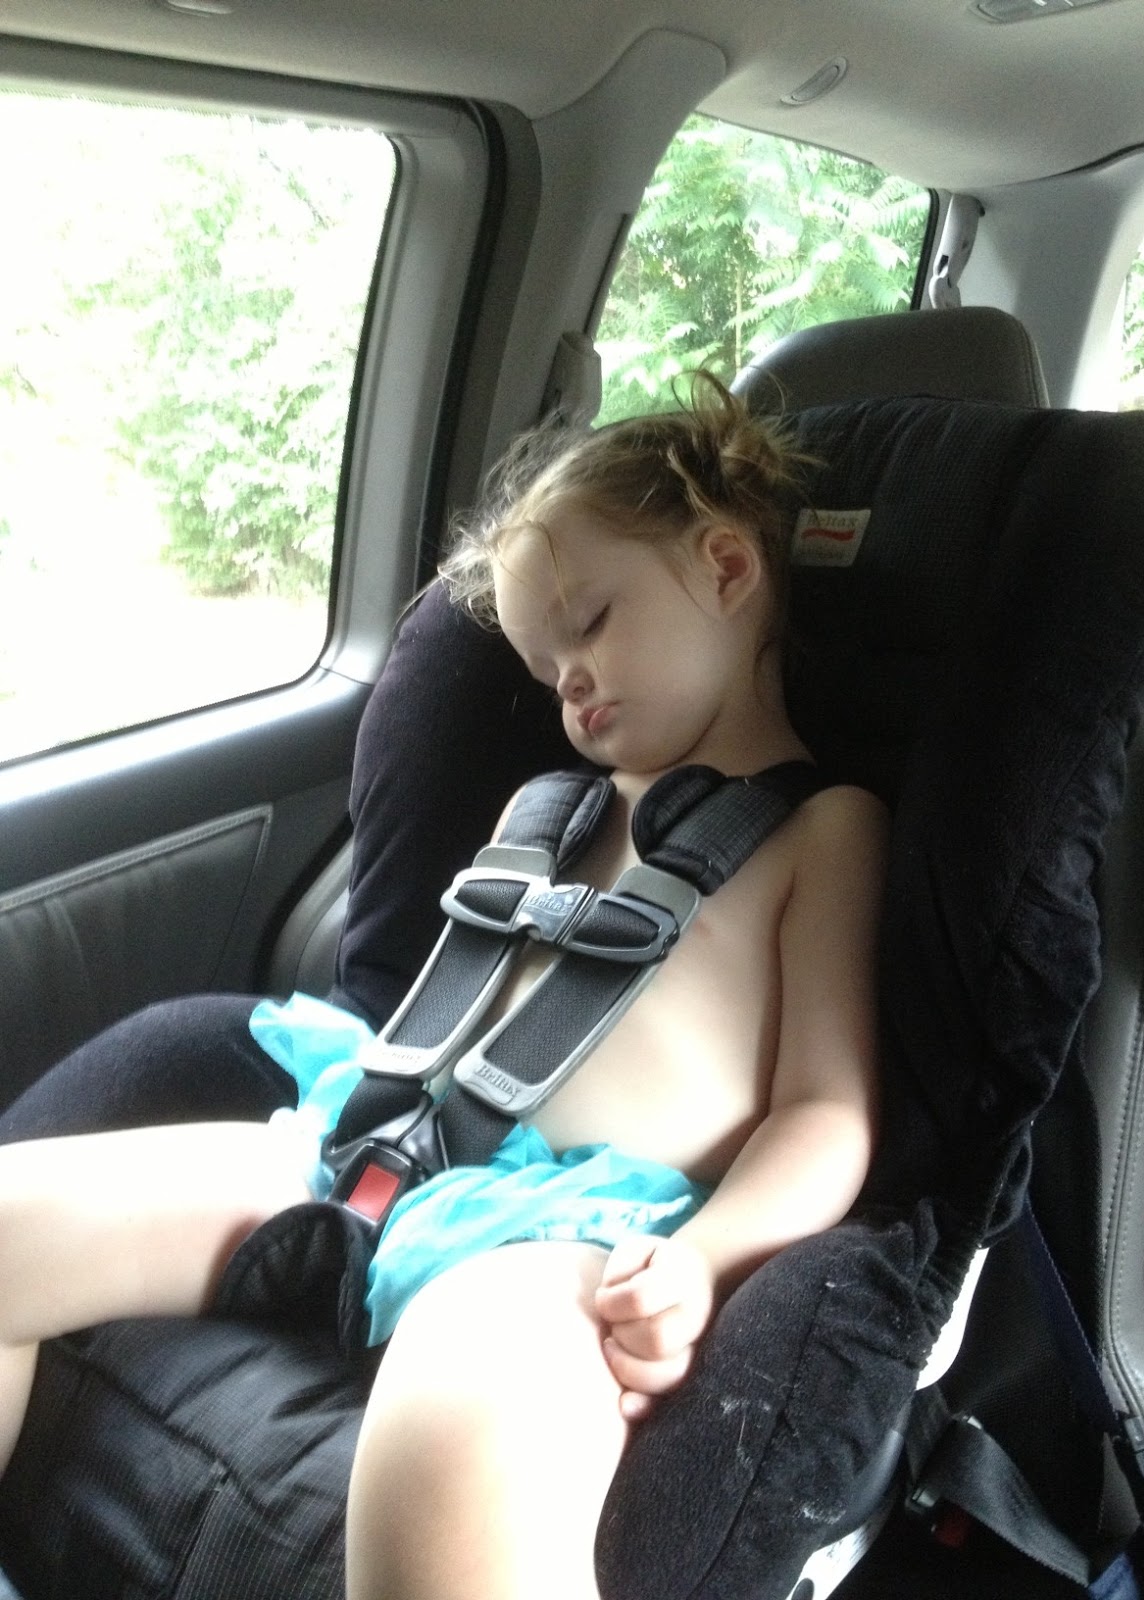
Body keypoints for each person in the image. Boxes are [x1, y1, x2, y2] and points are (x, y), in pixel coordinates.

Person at [0, 377, 887, 1600]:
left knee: (447, 1460)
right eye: (545, 664)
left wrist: (706, 1259)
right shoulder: (546, 811)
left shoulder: (821, 831)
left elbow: (826, 1108)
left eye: (592, 623)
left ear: (727, 567)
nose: (570, 684)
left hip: (565, 1236)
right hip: (366, 1147)